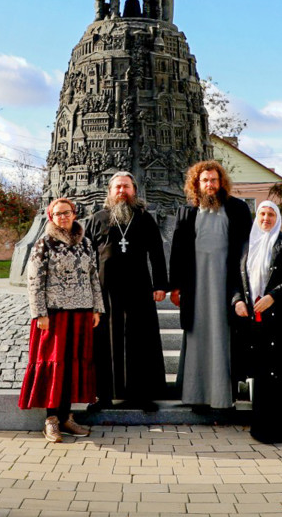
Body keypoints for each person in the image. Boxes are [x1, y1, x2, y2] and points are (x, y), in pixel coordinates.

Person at [169, 160, 253, 410]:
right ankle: (195, 394)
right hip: (196, 286)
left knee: (224, 335)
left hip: (226, 284)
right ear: (197, 183)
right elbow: (177, 251)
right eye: (205, 180)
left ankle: (221, 395)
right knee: (197, 335)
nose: (210, 185)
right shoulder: (187, 211)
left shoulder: (237, 209)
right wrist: (176, 286)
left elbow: (247, 249)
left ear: (221, 182)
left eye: (214, 180)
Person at [19, 197, 104, 443]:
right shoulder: (44, 244)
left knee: (71, 366)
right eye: (58, 214)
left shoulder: (86, 243)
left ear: (74, 214)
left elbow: (93, 277)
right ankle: (51, 420)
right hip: (54, 314)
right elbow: (34, 281)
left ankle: (67, 417)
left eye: (67, 213)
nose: (63, 217)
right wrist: (39, 313)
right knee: (53, 364)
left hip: (81, 312)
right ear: (51, 217)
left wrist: (96, 308)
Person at [85, 172, 168, 411]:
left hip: (139, 289)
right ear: (110, 192)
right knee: (104, 342)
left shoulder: (144, 218)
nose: (122, 191)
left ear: (134, 190)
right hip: (105, 291)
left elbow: (157, 253)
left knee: (140, 340)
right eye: (118, 187)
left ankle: (143, 395)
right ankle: (103, 395)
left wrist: (161, 284)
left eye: (127, 187)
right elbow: (87, 257)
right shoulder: (98, 218)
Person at [233, 200, 282, 443]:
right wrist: (237, 301)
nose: (266, 219)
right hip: (255, 318)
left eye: (271, 215)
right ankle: (262, 429)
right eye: (262, 214)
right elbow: (235, 280)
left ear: (278, 218)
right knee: (263, 371)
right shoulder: (247, 245)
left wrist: (273, 297)